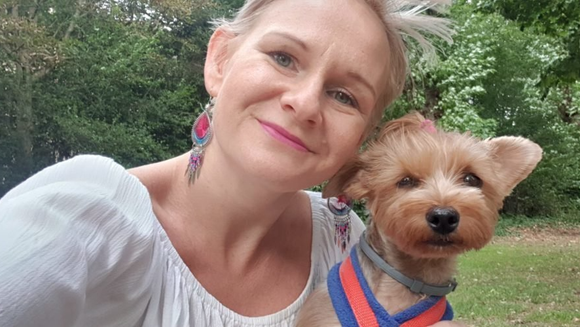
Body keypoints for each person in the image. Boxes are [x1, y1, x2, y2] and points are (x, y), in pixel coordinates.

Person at [0, 0, 460, 326]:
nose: (304, 103)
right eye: (283, 58)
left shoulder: (345, 243)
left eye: (344, 95)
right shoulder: (88, 215)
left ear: (361, 135)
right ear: (220, 59)